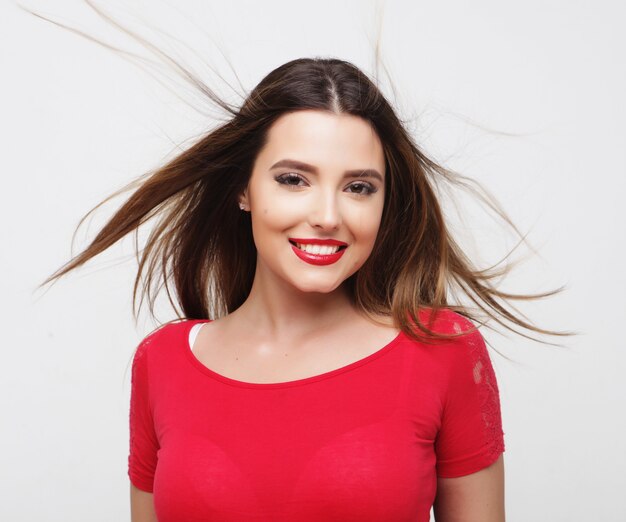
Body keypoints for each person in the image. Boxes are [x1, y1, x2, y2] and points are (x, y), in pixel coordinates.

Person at [41, 56, 569, 521]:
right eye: (293, 179)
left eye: (359, 187)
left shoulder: (443, 350)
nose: (327, 215)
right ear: (243, 188)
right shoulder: (162, 362)